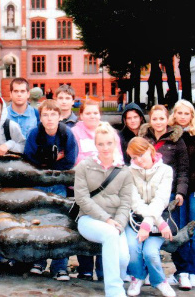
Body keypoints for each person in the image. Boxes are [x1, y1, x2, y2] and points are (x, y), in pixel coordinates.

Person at [74, 122, 132, 297]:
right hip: (89, 220)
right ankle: (114, 290)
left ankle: (120, 277)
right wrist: (106, 219)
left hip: (116, 223)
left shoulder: (124, 171)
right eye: (101, 144)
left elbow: (126, 202)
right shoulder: (84, 166)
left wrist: (119, 224)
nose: (105, 148)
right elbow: (81, 198)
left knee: (123, 258)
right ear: (95, 144)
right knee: (110, 235)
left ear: (115, 143)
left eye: (109, 143)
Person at [24, 100, 78, 280]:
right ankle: (39, 260)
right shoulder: (35, 134)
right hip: (40, 182)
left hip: (59, 182)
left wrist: (50, 163)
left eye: (53, 114)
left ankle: (60, 265)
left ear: (59, 116)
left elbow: (69, 160)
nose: (49, 119)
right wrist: (49, 162)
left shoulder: (66, 134)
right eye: (45, 115)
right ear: (40, 118)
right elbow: (30, 158)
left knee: (59, 222)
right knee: (39, 219)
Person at [72, 99, 124, 281]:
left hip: (108, 189)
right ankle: (85, 268)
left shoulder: (110, 132)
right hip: (86, 186)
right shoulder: (75, 132)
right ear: (81, 115)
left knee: (106, 226)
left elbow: (118, 158)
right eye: (88, 113)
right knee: (89, 225)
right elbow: (76, 157)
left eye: (95, 113)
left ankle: (103, 270)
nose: (92, 116)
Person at [125, 137, 177, 297]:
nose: (139, 160)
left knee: (150, 253)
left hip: (158, 219)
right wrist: (156, 222)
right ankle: (137, 277)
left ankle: (160, 281)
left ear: (150, 150)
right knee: (132, 248)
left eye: (141, 154)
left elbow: (161, 200)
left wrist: (150, 224)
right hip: (136, 220)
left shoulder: (166, 171)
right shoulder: (128, 172)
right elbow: (135, 201)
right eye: (134, 157)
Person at [168, 100, 195, 289]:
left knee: (194, 229)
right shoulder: (171, 136)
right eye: (179, 113)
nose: (183, 117)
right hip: (177, 190)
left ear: (192, 116)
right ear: (174, 115)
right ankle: (180, 270)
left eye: (187, 113)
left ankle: (194, 271)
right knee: (178, 229)